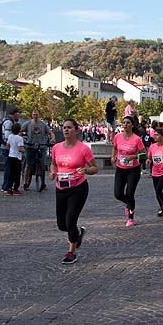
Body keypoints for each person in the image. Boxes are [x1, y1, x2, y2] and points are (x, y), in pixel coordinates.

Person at [49, 119, 98, 264]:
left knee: (70, 220)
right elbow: (53, 165)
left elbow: (95, 168)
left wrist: (86, 170)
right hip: (61, 188)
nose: (66, 130)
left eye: (69, 128)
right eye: (64, 128)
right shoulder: (57, 148)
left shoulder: (83, 149)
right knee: (62, 225)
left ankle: (71, 252)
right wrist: (53, 173)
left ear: (76, 131)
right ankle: (78, 233)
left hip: (78, 188)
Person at [112, 116, 146, 226]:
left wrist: (134, 157)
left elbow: (143, 155)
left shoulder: (137, 139)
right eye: (124, 123)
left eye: (128, 123)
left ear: (132, 125)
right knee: (118, 194)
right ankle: (129, 203)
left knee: (130, 193)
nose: (125, 125)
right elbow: (115, 148)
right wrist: (113, 157)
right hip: (120, 169)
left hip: (133, 170)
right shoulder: (117, 137)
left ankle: (131, 217)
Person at [21, 110, 54, 191]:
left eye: (36, 115)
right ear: (32, 115)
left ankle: (43, 182)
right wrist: (22, 138)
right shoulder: (27, 124)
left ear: (39, 115)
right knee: (28, 165)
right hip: (30, 146)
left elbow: (50, 133)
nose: (35, 116)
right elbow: (20, 132)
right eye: (34, 114)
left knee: (42, 165)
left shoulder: (43, 124)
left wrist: (53, 138)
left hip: (41, 146)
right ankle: (25, 182)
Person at [1, 109, 21, 195]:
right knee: (10, 169)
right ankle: (7, 187)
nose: (18, 116)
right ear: (13, 114)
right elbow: (7, 137)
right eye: (17, 114)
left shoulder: (6, 121)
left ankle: (7, 187)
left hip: (9, 150)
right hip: (9, 151)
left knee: (10, 169)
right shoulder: (9, 123)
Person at [6, 122, 25, 196]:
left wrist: (11, 149)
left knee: (11, 173)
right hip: (17, 157)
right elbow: (20, 149)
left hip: (11, 156)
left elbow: (7, 146)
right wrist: (24, 150)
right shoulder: (20, 138)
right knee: (17, 174)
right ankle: (15, 189)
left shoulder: (10, 136)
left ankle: (9, 188)